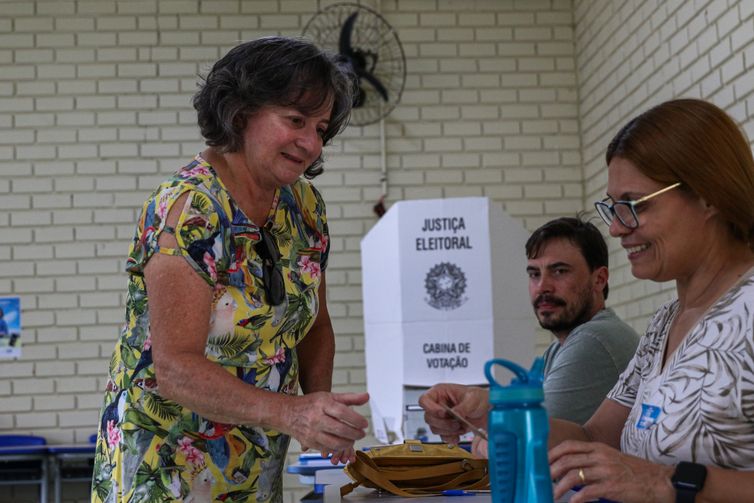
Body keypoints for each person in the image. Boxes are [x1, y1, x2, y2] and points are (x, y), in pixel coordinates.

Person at [420, 98, 754, 502]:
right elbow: (593, 436)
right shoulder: (667, 323)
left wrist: (661, 482)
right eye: (612, 208)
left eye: (633, 206)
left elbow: (648, 475)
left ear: (708, 195)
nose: (615, 228)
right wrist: (496, 413)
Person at [91, 36, 370, 503]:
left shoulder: (303, 206)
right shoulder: (189, 208)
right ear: (239, 113)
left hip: (255, 462)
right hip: (167, 469)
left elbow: (314, 324)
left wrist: (319, 413)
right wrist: (292, 413)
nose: (311, 143)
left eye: (321, 128)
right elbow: (175, 369)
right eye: (296, 121)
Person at [526, 217, 639, 424]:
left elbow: (523, 438)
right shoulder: (558, 348)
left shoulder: (595, 339)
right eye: (534, 274)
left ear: (599, 279)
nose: (543, 287)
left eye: (559, 271)